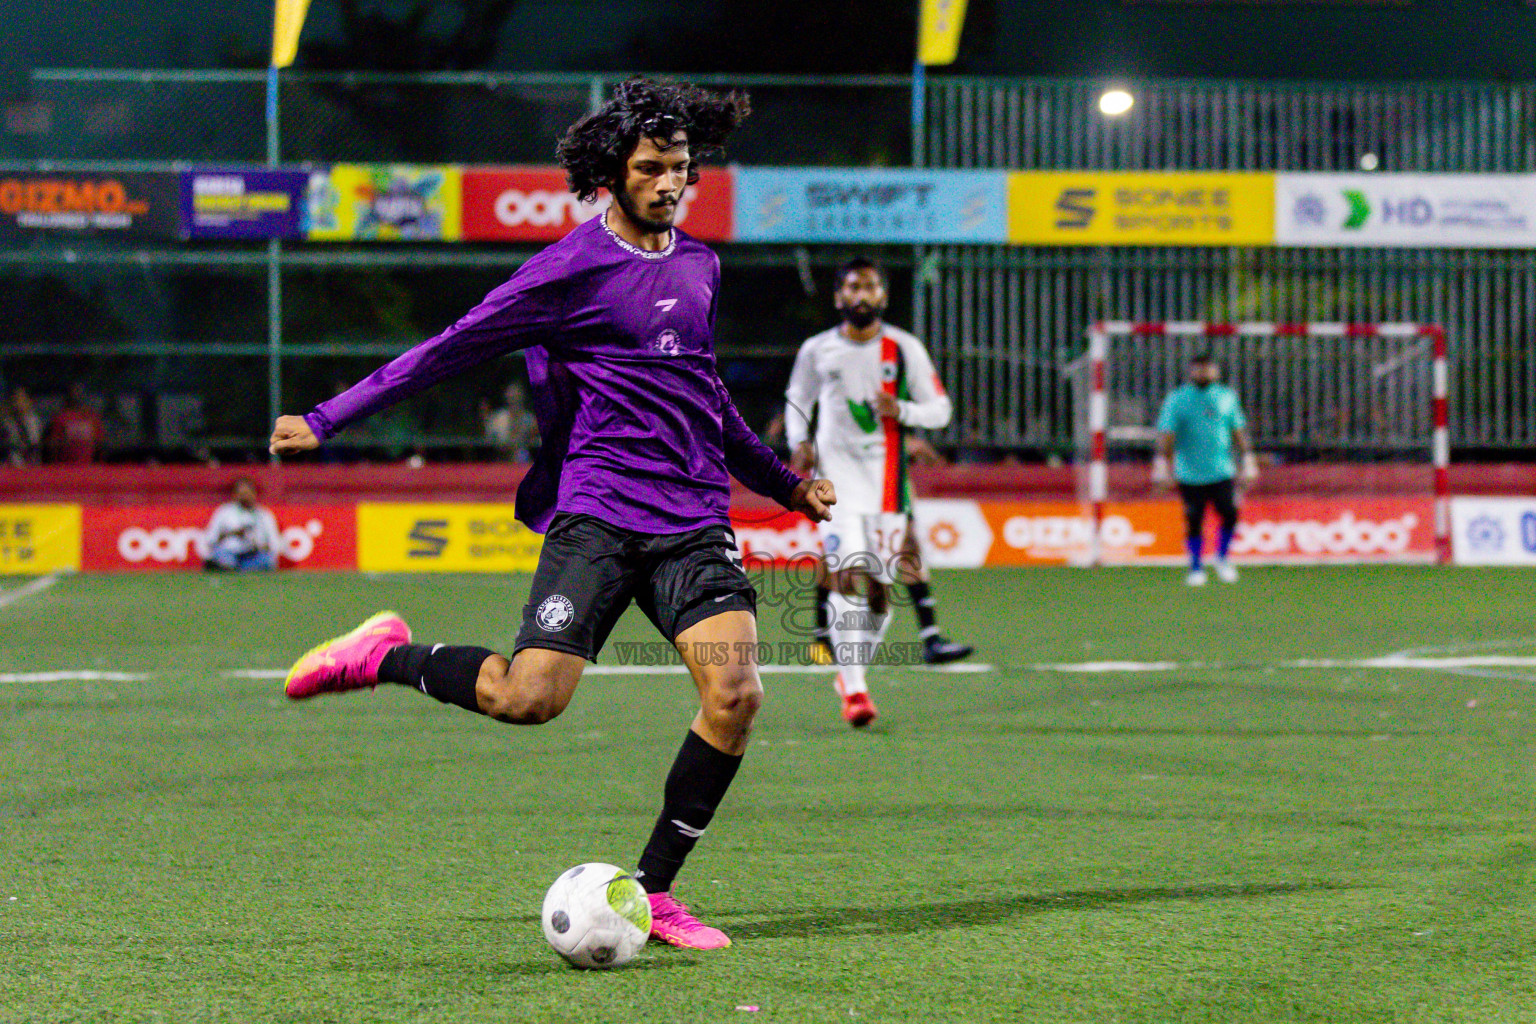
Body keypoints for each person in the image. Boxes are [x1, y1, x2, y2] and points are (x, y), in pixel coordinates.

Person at [267, 78, 836, 952]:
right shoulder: (568, 269)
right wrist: (326, 419)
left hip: (691, 521)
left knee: (735, 694)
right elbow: (444, 350)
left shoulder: (699, 264)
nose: (670, 184)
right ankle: (381, 655)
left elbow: (707, 396)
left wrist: (784, 484)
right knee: (529, 699)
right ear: (612, 172)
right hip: (600, 516)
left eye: (682, 168)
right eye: (652, 168)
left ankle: (656, 891)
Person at [783, 256, 964, 729]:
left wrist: (902, 409)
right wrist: (798, 443)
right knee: (844, 572)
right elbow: (798, 400)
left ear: (882, 295)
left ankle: (849, 673)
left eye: (869, 287)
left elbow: (941, 410)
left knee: (881, 589)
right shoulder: (818, 349)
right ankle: (858, 691)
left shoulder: (904, 348)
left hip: (886, 486)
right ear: (839, 296)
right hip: (835, 482)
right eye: (852, 287)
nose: (861, 295)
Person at [1152, 352, 1258, 586]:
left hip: (1222, 470)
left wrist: (1248, 459)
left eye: (1208, 368)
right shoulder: (1178, 399)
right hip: (1189, 473)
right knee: (1193, 520)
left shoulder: (1227, 397)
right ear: (1191, 371)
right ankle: (1196, 566)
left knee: (1230, 513)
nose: (1204, 372)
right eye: (1199, 368)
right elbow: (1166, 434)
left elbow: (1237, 429)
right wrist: (1161, 466)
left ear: (1216, 371)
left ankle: (1222, 558)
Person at [203, 477, 282, 572]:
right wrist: (232, 533)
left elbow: (275, 545)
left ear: (254, 494)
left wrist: (258, 545)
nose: (245, 498)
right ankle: (227, 566)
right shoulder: (224, 512)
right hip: (230, 553)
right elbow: (210, 539)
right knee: (221, 556)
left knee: (267, 560)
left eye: (248, 494)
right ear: (235, 496)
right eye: (242, 494)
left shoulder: (264, 515)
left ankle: (235, 569)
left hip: (253, 556)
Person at [45, 384, 104, 465]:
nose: (76, 396)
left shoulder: (92, 418)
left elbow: (99, 444)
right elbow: (53, 445)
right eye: (74, 393)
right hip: (65, 467)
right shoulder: (61, 417)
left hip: (87, 466)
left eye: (79, 393)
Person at [481, 381, 539, 461]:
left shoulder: (530, 419)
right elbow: (489, 439)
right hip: (502, 462)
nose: (514, 400)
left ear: (522, 398)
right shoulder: (498, 418)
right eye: (511, 397)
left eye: (517, 397)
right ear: (506, 398)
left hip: (524, 463)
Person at [2, 386, 43, 467]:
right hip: (13, 463)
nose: (18, 402)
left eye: (21, 399)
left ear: (29, 401)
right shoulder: (7, 422)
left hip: (31, 461)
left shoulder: (34, 419)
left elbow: (34, 442)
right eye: (16, 399)